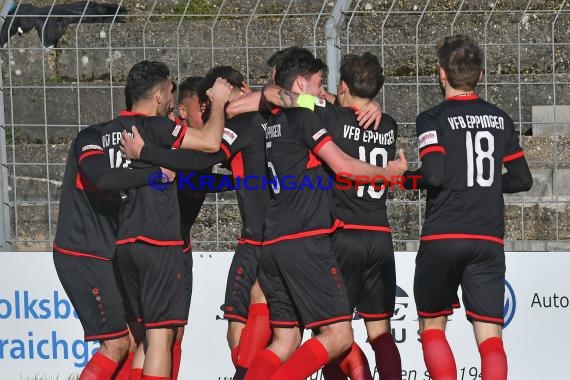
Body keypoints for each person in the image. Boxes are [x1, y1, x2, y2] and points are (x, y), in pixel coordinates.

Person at [244, 51, 408, 380]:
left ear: (343, 86)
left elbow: (291, 99)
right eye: (320, 84)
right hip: (364, 234)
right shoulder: (387, 125)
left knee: (290, 338)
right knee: (356, 335)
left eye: (329, 85)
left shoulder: (307, 120)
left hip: (301, 235)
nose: (324, 91)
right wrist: (387, 173)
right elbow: (344, 163)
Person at [121, 66, 272, 380]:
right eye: (197, 108)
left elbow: (204, 170)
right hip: (154, 246)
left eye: (206, 106)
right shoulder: (170, 135)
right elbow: (203, 167)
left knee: (168, 335)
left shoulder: (230, 131)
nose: (201, 114)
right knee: (151, 336)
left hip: (180, 246)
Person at [401, 35, 532, 380]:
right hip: (487, 239)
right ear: (481, 75)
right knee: (491, 341)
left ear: (441, 74)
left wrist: (404, 179)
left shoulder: (432, 118)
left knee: (431, 326)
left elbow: (433, 175)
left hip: (444, 234)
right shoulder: (500, 118)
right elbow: (522, 179)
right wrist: (484, 185)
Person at [110, 60, 231, 379]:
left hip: (148, 243)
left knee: (157, 336)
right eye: (176, 109)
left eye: (185, 112)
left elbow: (197, 173)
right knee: (159, 335)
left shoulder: (119, 132)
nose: (179, 116)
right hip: (159, 244)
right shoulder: (164, 133)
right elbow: (204, 152)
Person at [52, 120, 172, 379]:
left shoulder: (146, 147)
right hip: (83, 253)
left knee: (135, 340)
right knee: (116, 344)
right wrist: (155, 174)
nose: (171, 117)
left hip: (109, 254)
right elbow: (102, 177)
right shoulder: (92, 136)